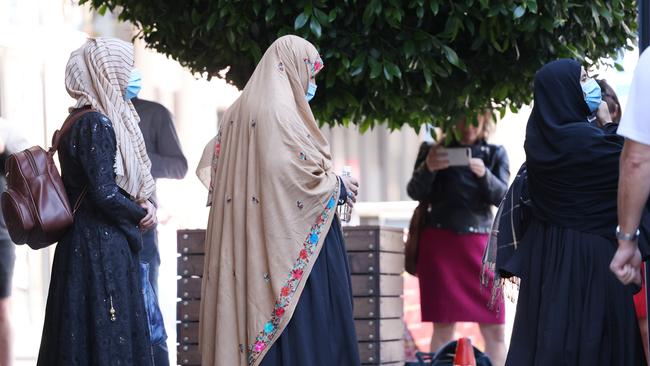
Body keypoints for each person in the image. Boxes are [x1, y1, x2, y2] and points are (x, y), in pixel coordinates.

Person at [196, 35, 360, 366]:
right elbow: (289, 175)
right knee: (303, 335)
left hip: (245, 245)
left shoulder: (235, 113)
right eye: (309, 73)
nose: (311, 84)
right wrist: (337, 185)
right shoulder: (281, 111)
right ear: (291, 66)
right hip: (290, 248)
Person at [492, 59, 646, 365]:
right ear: (566, 90)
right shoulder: (586, 140)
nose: (591, 85)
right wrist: (607, 123)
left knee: (550, 339)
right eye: (584, 78)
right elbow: (632, 162)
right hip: (593, 259)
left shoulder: (539, 140)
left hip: (548, 259)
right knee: (595, 342)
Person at [37, 37, 157, 365]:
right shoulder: (96, 123)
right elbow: (104, 192)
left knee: (81, 339)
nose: (128, 74)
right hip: (100, 249)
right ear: (105, 72)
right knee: (106, 339)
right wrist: (141, 211)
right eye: (123, 68)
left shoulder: (74, 120)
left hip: (81, 246)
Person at [406, 112, 509, 365]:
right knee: (442, 326)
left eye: (475, 119)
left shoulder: (494, 153)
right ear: (451, 121)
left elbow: (503, 198)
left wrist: (484, 174)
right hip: (440, 246)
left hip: (481, 247)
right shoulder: (433, 150)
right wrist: (428, 167)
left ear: (485, 120)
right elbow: (414, 191)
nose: (469, 125)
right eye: (463, 118)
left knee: (495, 329)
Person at [132, 97, 187, 366]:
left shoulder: (154, 113)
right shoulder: (95, 113)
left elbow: (179, 167)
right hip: (104, 227)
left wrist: (136, 157)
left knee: (147, 306)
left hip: (142, 226)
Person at [0, 119, 29, 366]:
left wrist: (4, 151)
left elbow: (27, 171)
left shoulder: (7, 131)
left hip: (1, 237)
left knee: (2, 310)